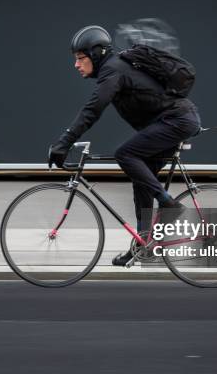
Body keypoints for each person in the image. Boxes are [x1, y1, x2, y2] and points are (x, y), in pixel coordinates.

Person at [48, 25, 201, 266]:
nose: (76, 65)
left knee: (126, 154)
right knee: (142, 181)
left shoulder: (114, 70)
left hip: (177, 121)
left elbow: (92, 110)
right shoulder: (114, 69)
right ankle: (144, 246)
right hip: (173, 121)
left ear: (96, 54)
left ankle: (169, 204)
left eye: (80, 58)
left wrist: (64, 141)